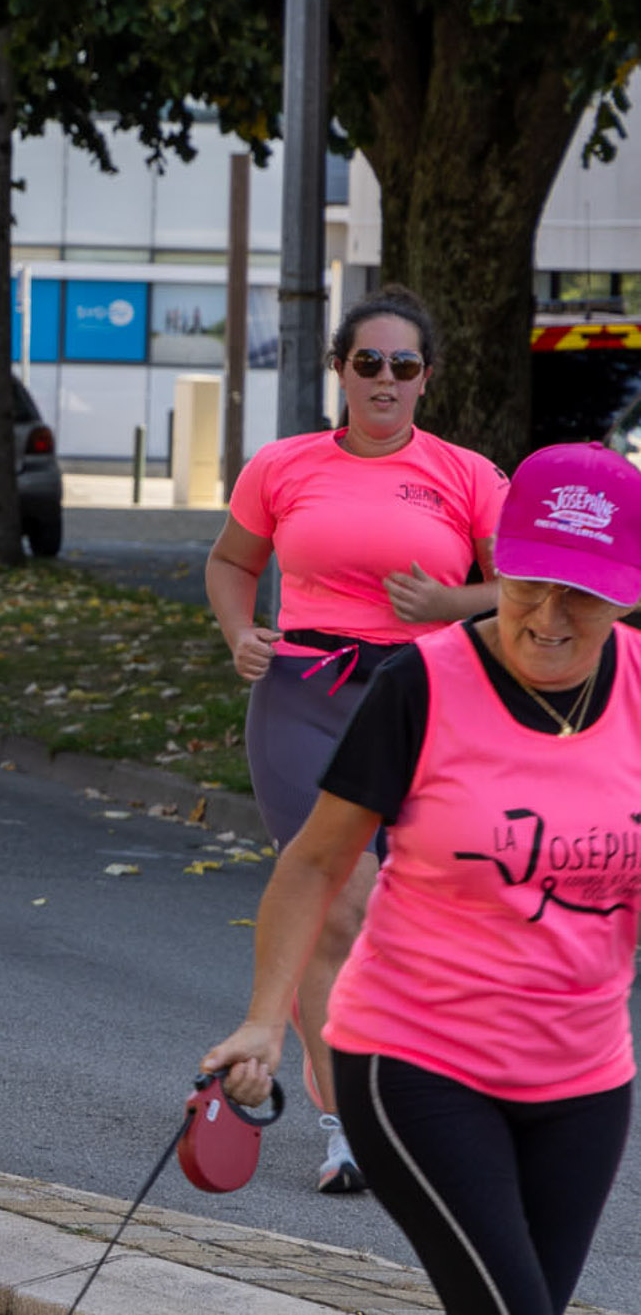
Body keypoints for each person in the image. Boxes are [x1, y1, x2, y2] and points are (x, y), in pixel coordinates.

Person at [201, 441, 641, 1315]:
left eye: (582, 592)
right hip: (417, 1059)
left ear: (626, 593)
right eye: (528, 582)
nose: (549, 615)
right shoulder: (422, 685)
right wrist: (263, 1021)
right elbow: (317, 862)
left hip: (583, 1078)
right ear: (496, 568)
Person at [205, 285, 503, 1192]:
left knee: (414, 914)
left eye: (402, 365)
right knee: (339, 902)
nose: (383, 379)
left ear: (426, 380)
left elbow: (529, 589)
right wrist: (240, 633)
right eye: (366, 361)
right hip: (303, 695)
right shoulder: (284, 464)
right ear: (338, 369)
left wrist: (453, 604)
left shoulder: (468, 474)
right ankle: (348, 1129)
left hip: (424, 699)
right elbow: (230, 561)